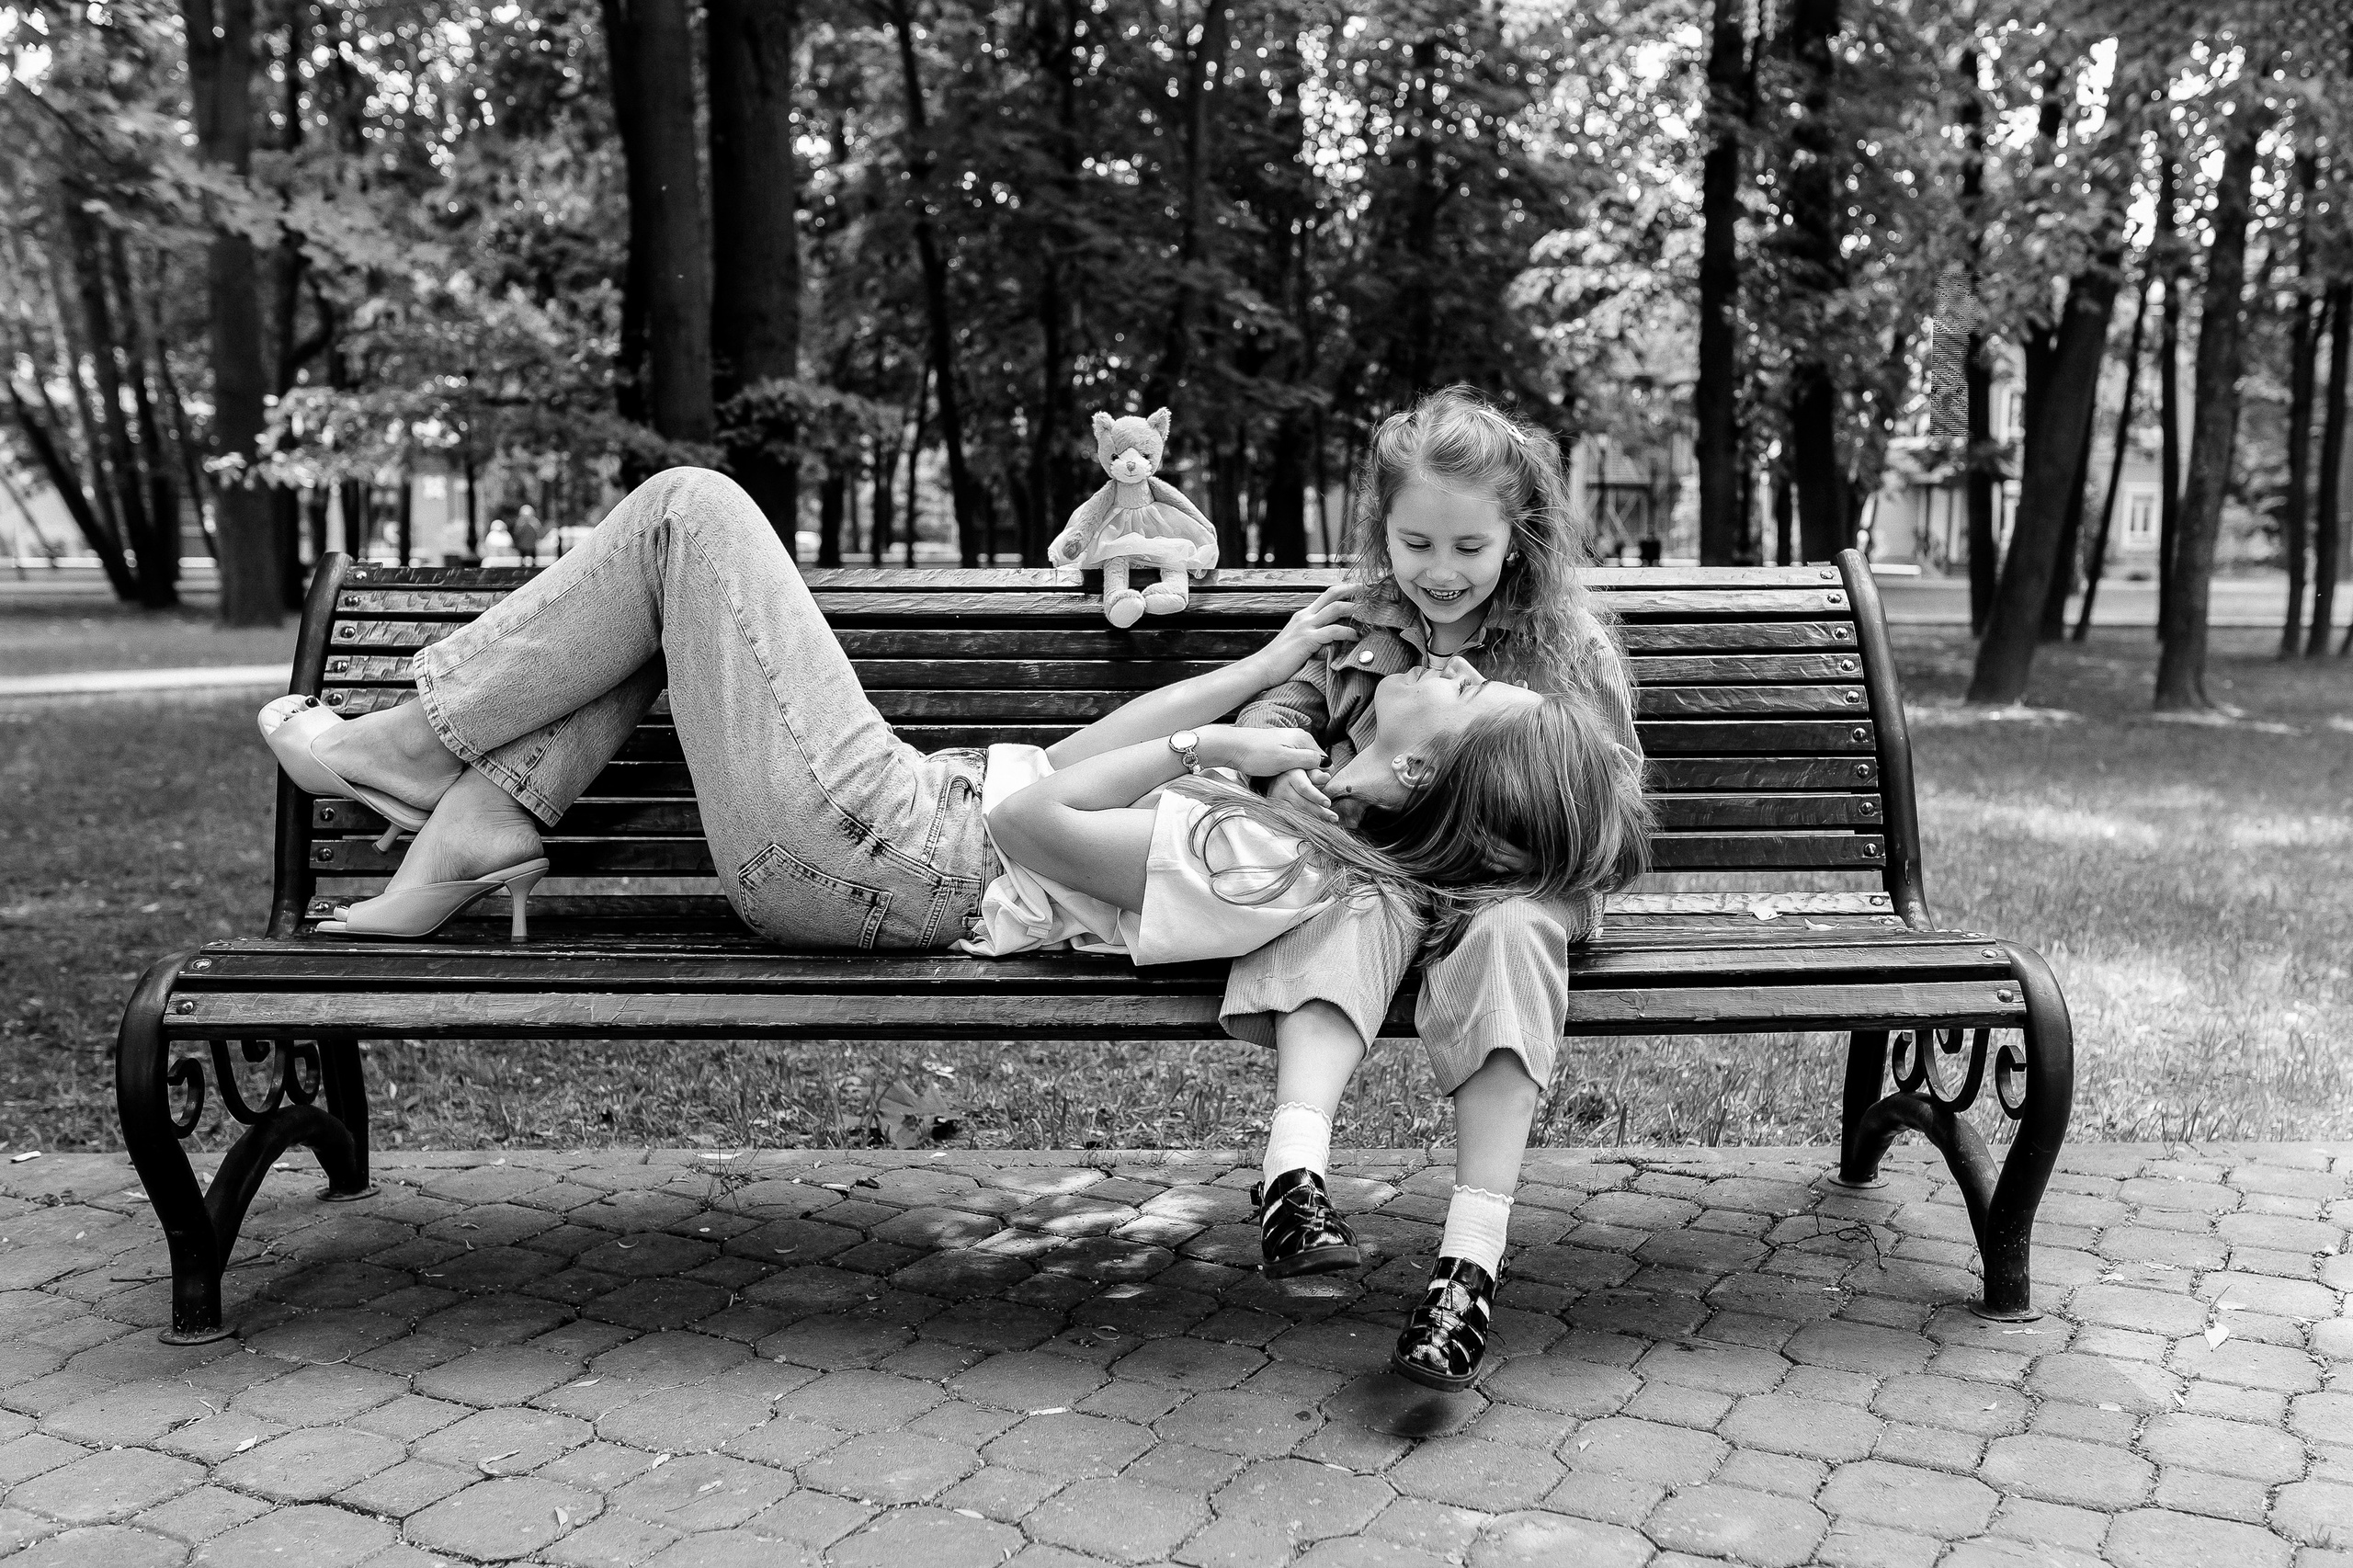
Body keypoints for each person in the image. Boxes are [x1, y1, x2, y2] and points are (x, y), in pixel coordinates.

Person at [255, 468, 1634, 996]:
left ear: (1412, 766)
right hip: (914, 821)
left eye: (1458, 683)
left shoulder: (1282, 835)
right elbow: (1097, 748)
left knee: (690, 508)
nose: (1431, 649)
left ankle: (423, 747)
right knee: (677, 581)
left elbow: (1057, 799)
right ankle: (482, 821)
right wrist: (1264, 666)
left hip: (905, 852)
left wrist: (1222, 752)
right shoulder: (1303, 782)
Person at [1219, 386, 1652, 1392]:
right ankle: (1293, 1178)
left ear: (1518, 533)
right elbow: (1273, 727)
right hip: (1383, 868)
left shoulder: (1566, 644)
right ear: (1382, 530)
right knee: (1351, 905)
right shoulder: (1357, 627)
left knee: (1506, 944)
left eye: (1468, 546)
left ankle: (1468, 1264)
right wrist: (1287, 774)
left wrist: (1501, 795)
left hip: (1516, 878)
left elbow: (1612, 808)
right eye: (1416, 543)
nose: (1441, 571)